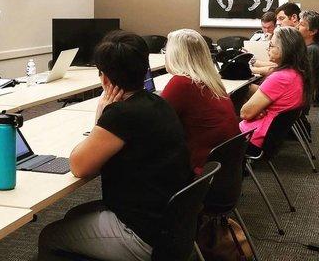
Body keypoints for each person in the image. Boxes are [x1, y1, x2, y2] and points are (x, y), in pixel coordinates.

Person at [38, 31, 192, 261]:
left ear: (105, 79)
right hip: (172, 224)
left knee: (49, 236)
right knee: (73, 215)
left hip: (142, 234)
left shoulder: (121, 115)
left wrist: (100, 116)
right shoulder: (158, 102)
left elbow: (79, 166)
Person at [161, 29, 240, 174]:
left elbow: (155, 123)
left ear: (175, 55)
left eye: (165, 51)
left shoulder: (182, 83)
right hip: (224, 167)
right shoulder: (211, 80)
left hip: (201, 169)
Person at [240, 26, 311, 149]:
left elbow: (245, 113)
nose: (268, 48)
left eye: (271, 45)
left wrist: (257, 111)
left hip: (251, 137)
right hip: (270, 137)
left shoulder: (280, 78)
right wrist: (258, 109)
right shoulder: (296, 73)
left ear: (284, 49)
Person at [298, 10, 319, 104]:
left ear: (313, 31)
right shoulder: (306, 47)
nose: (297, 26)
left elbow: (305, 79)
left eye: (302, 24)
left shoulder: (312, 50)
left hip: (304, 100)